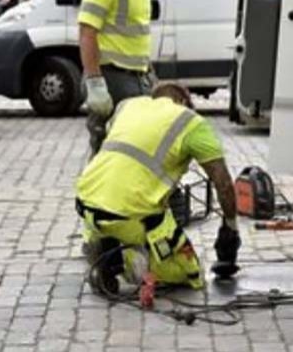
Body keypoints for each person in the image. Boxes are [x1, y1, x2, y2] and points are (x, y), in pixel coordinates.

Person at [75, 83, 241, 293]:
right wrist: (231, 228)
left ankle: (107, 248)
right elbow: (223, 183)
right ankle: (133, 260)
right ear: (183, 102)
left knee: (122, 211)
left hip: (87, 203)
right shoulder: (190, 121)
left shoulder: (128, 106)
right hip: (130, 213)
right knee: (190, 274)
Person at [78, 0, 201, 155]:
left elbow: (136, 35)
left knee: (138, 150)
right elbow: (87, 32)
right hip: (113, 79)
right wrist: (94, 83)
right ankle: (93, 195)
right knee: (109, 152)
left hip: (138, 78)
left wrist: (150, 75)